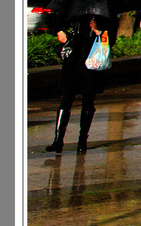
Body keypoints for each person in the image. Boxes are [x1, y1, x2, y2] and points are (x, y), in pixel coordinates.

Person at [45, 15, 109, 154]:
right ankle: (58, 140)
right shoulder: (73, 10)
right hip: (73, 62)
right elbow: (55, 19)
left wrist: (98, 31)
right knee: (66, 100)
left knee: (88, 101)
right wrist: (60, 32)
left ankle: (82, 141)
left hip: (92, 63)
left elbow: (110, 41)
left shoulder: (103, 15)